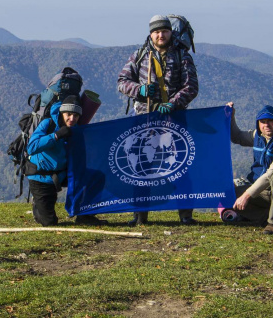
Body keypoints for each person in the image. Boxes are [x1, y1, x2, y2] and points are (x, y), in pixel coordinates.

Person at [117, 15, 199, 226]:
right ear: (151, 33)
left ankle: (185, 215)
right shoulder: (139, 56)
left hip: (175, 119)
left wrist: (173, 103)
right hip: (144, 120)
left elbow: (191, 87)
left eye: (164, 31)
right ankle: (140, 216)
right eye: (156, 31)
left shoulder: (182, 56)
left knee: (180, 166)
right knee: (141, 167)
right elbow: (122, 82)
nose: (160, 35)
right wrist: (139, 89)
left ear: (170, 32)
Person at [27, 95, 107, 226]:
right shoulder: (48, 124)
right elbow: (31, 147)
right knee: (49, 223)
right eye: (68, 114)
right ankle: (38, 204)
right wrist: (56, 136)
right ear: (62, 113)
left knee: (97, 177)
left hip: (62, 174)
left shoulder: (75, 129)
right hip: (41, 177)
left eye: (76, 116)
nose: (72, 119)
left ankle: (86, 215)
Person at [226, 103, 273, 234]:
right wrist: (231, 116)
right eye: (263, 121)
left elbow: (270, 175)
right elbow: (237, 137)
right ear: (258, 124)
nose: (266, 124)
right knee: (225, 195)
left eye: (270, 121)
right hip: (260, 189)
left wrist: (246, 195)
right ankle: (267, 216)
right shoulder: (258, 136)